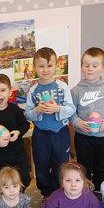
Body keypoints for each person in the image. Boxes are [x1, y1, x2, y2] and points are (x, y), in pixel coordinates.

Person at [70, 47, 104, 191]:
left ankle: (100, 194)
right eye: (86, 65)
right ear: (81, 66)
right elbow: (70, 113)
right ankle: (86, 195)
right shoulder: (75, 91)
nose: (90, 69)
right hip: (83, 138)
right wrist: (79, 123)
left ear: (103, 68)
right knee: (84, 169)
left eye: (95, 65)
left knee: (101, 169)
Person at [24, 47, 76, 198]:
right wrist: (38, 110)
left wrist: (57, 108)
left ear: (56, 66)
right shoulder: (33, 90)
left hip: (60, 133)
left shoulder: (62, 86)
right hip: (40, 135)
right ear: (34, 67)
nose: (45, 70)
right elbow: (27, 114)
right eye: (41, 66)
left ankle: (60, 193)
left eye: (49, 65)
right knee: (41, 166)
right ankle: (47, 194)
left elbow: (71, 109)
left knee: (61, 166)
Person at [0, 74, 31, 189]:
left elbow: (25, 124)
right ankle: (8, 198)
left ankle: (20, 196)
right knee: (6, 183)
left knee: (23, 180)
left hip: (18, 154)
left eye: (3, 90)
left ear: (10, 92)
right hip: (1, 156)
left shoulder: (15, 109)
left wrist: (18, 132)